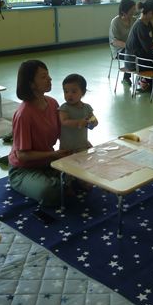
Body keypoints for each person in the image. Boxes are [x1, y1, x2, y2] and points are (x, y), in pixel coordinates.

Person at [8, 60, 71, 207]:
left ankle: (60, 182)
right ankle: (57, 183)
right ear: (31, 84)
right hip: (23, 170)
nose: (50, 79)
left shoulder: (53, 104)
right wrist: (53, 155)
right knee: (48, 192)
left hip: (48, 163)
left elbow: (64, 132)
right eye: (43, 77)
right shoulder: (24, 114)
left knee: (82, 176)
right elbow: (23, 155)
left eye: (48, 75)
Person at [125, 0, 153, 92]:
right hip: (135, 61)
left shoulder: (147, 23)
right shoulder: (140, 26)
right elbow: (149, 46)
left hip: (142, 56)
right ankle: (149, 83)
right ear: (150, 12)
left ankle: (150, 83)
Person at [59, 74, 97, 151]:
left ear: (83, 92)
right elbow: (64, 121)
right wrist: (78, 122)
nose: (69, 95)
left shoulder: (87, 108)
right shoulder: (64, 108)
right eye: (66, 92)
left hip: (82, 146)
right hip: (67, 148)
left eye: (74, 92)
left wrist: (91, 123)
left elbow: (94, 121)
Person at [109, 0, 137, 85]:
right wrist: (129, 46)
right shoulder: (115, 22)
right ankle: (126, 77)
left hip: (132, 47)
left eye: (134, 9)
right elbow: (114, 42)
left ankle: (143, 78)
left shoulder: (134, 20)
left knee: (142, 52)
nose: (134, 12)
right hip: (118, 50)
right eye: (132, 10)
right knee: (132, 53)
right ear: (124, 11)